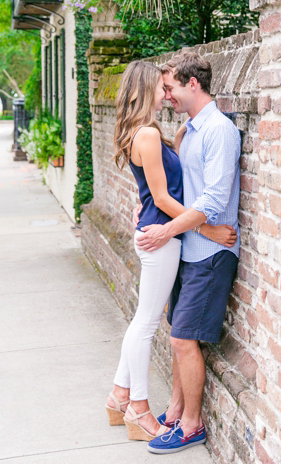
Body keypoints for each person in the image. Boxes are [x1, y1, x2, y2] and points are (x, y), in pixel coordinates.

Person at [105, 60, 237, 442]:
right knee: (145, 323)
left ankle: (120, 397)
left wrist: (144, 204)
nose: (166, 95)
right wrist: (208, 227)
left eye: (170, 88)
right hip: (164, 238)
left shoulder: (168, 132)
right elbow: (162, 195)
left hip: (167, 236)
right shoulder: (147, 133)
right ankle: (138, 408)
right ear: (147, 90)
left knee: (144, 321)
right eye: (161, 89)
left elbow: (158, 188)